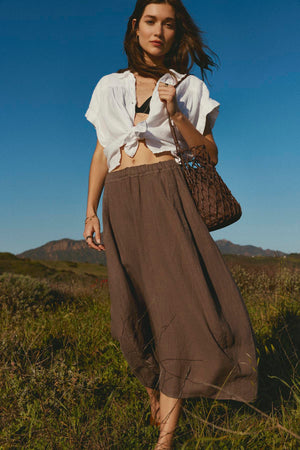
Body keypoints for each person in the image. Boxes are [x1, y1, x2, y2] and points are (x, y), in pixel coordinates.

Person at [83, 1, 258, 448]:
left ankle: (166, 438)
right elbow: (103, 151)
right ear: (135, 27)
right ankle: (156, 397)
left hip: (167, 192)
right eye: (150, 21)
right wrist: (90, 209)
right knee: (128, 316)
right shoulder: (108, 85)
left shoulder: (188, 86)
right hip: (120, 201)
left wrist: (177, 112)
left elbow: (210, 154)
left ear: (176, 33)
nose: (158, 31)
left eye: (168, 24)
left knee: (173, 310)